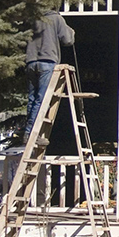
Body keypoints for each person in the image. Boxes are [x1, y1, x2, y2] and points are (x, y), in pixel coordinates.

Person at [24, 10, 74, 146]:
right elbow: (67, 40)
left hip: (30, 62)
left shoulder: (32, 18)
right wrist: (71, 32)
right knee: (42, 99)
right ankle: (32, 134)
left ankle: (29, 133)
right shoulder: (56, 18)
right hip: (47, 61)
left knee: (32, 99)